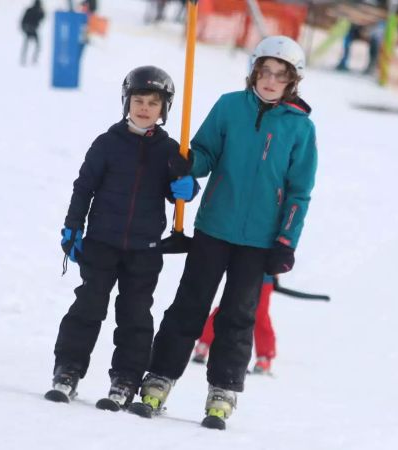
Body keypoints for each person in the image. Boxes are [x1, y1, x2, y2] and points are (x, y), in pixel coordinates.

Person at [134, 36, 318, 429]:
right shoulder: (229, 106)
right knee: (189, 304)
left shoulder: (301, 129)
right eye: (264, 72)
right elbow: (205, 152)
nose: (270, 81)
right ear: (253, 71)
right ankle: (160, 377)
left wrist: (286, 240)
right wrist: (188, 165)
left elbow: (300, 192)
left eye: (280, 76)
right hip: (214, 226)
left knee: (238, 316)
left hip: (259, 240)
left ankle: (223, 390)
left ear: (292, 82)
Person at [46, 67, 200, 409]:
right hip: (101, 242)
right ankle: (68, 369)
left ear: (164, 109)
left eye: (153, 103)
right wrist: (74, 226)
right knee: (88, 306)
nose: (144, 108)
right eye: (138, 101)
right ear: (126, 102)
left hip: (144, 249)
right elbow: (83, 187)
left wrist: (187, 188)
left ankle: (126, 379)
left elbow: (180, 189)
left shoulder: (171, 151)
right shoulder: (107, 143)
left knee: (135, 315)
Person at [192, 275, 276, 375]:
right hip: (241, 271)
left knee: (260, 314)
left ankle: (265, 356)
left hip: (265, 276)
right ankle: (204, 343)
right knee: (227, 307)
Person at [20, 0, 45, 66]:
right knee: (32, 45)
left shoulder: (32, 10)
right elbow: (23, 21)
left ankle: (31, 59)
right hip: (29, 29)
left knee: (32, 45)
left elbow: (42, 18)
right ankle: (28, 59)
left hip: (31, 29)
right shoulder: (33, 11)